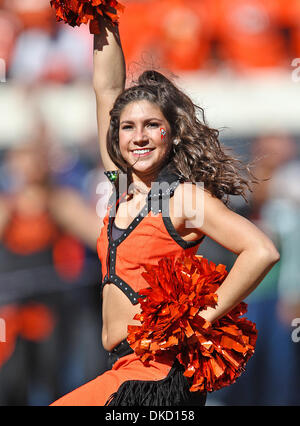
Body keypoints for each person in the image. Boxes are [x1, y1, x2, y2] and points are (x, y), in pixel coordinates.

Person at [51, 15, 280, 406]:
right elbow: (107, 88)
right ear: (115, 135)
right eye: (127, 127)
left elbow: (262, 250)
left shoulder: (182, 198)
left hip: (157, 376)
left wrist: (200, 320)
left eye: (151, 125)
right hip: (123, 369)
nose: (138, 136)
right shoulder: (121, 186)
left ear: (169, 133)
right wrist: (99, 13)